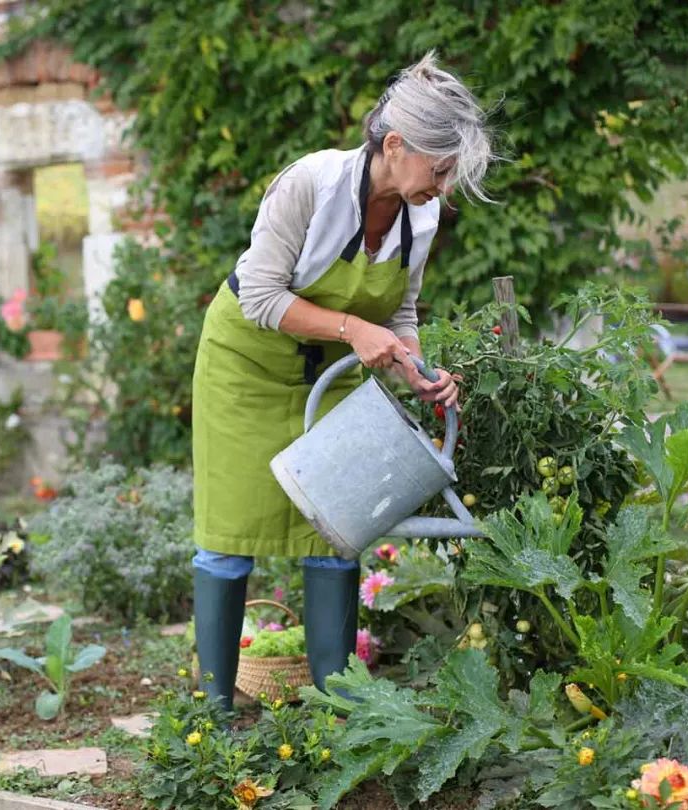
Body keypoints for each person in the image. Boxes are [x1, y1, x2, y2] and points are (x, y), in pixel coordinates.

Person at [191, 51, 495, 709]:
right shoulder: (310, 186)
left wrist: (417, 368)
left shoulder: (423, 215)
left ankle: (335, 706)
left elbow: (402, 309)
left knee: (337, 528)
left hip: (330, 377)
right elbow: (261, 297)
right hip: (245, 370)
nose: (442, 187)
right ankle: (212, 713)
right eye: (439, 170)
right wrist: (356, 332)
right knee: (228, 538)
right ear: (395, 145)